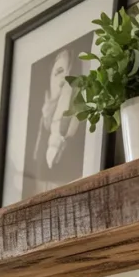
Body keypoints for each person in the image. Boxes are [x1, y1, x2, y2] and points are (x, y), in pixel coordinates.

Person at [27, 48, 81, 194]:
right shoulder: (42, 121)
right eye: (58, 72)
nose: (63, 80)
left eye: (67, 73)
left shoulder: (74, 120)